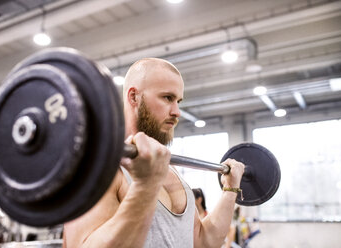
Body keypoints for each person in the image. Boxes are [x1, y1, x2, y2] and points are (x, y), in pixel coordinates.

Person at [63, 58, 245, 248]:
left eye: (178, 101)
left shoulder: (169, 168)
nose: (177, 112)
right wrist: (145, 185)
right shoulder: (99, 167)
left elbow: (202, 241)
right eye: (167, 98)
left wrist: (230, 190)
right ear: (134, 97)